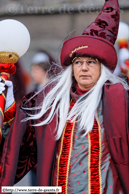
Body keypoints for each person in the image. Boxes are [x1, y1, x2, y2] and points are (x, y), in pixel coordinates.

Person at [0, 0, 129, 193]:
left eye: (91, 62)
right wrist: (9, 109)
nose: (84, 68)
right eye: (78, 62)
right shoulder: (50, 104)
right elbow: (22, 144)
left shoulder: (120, 102)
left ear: (102, 68)